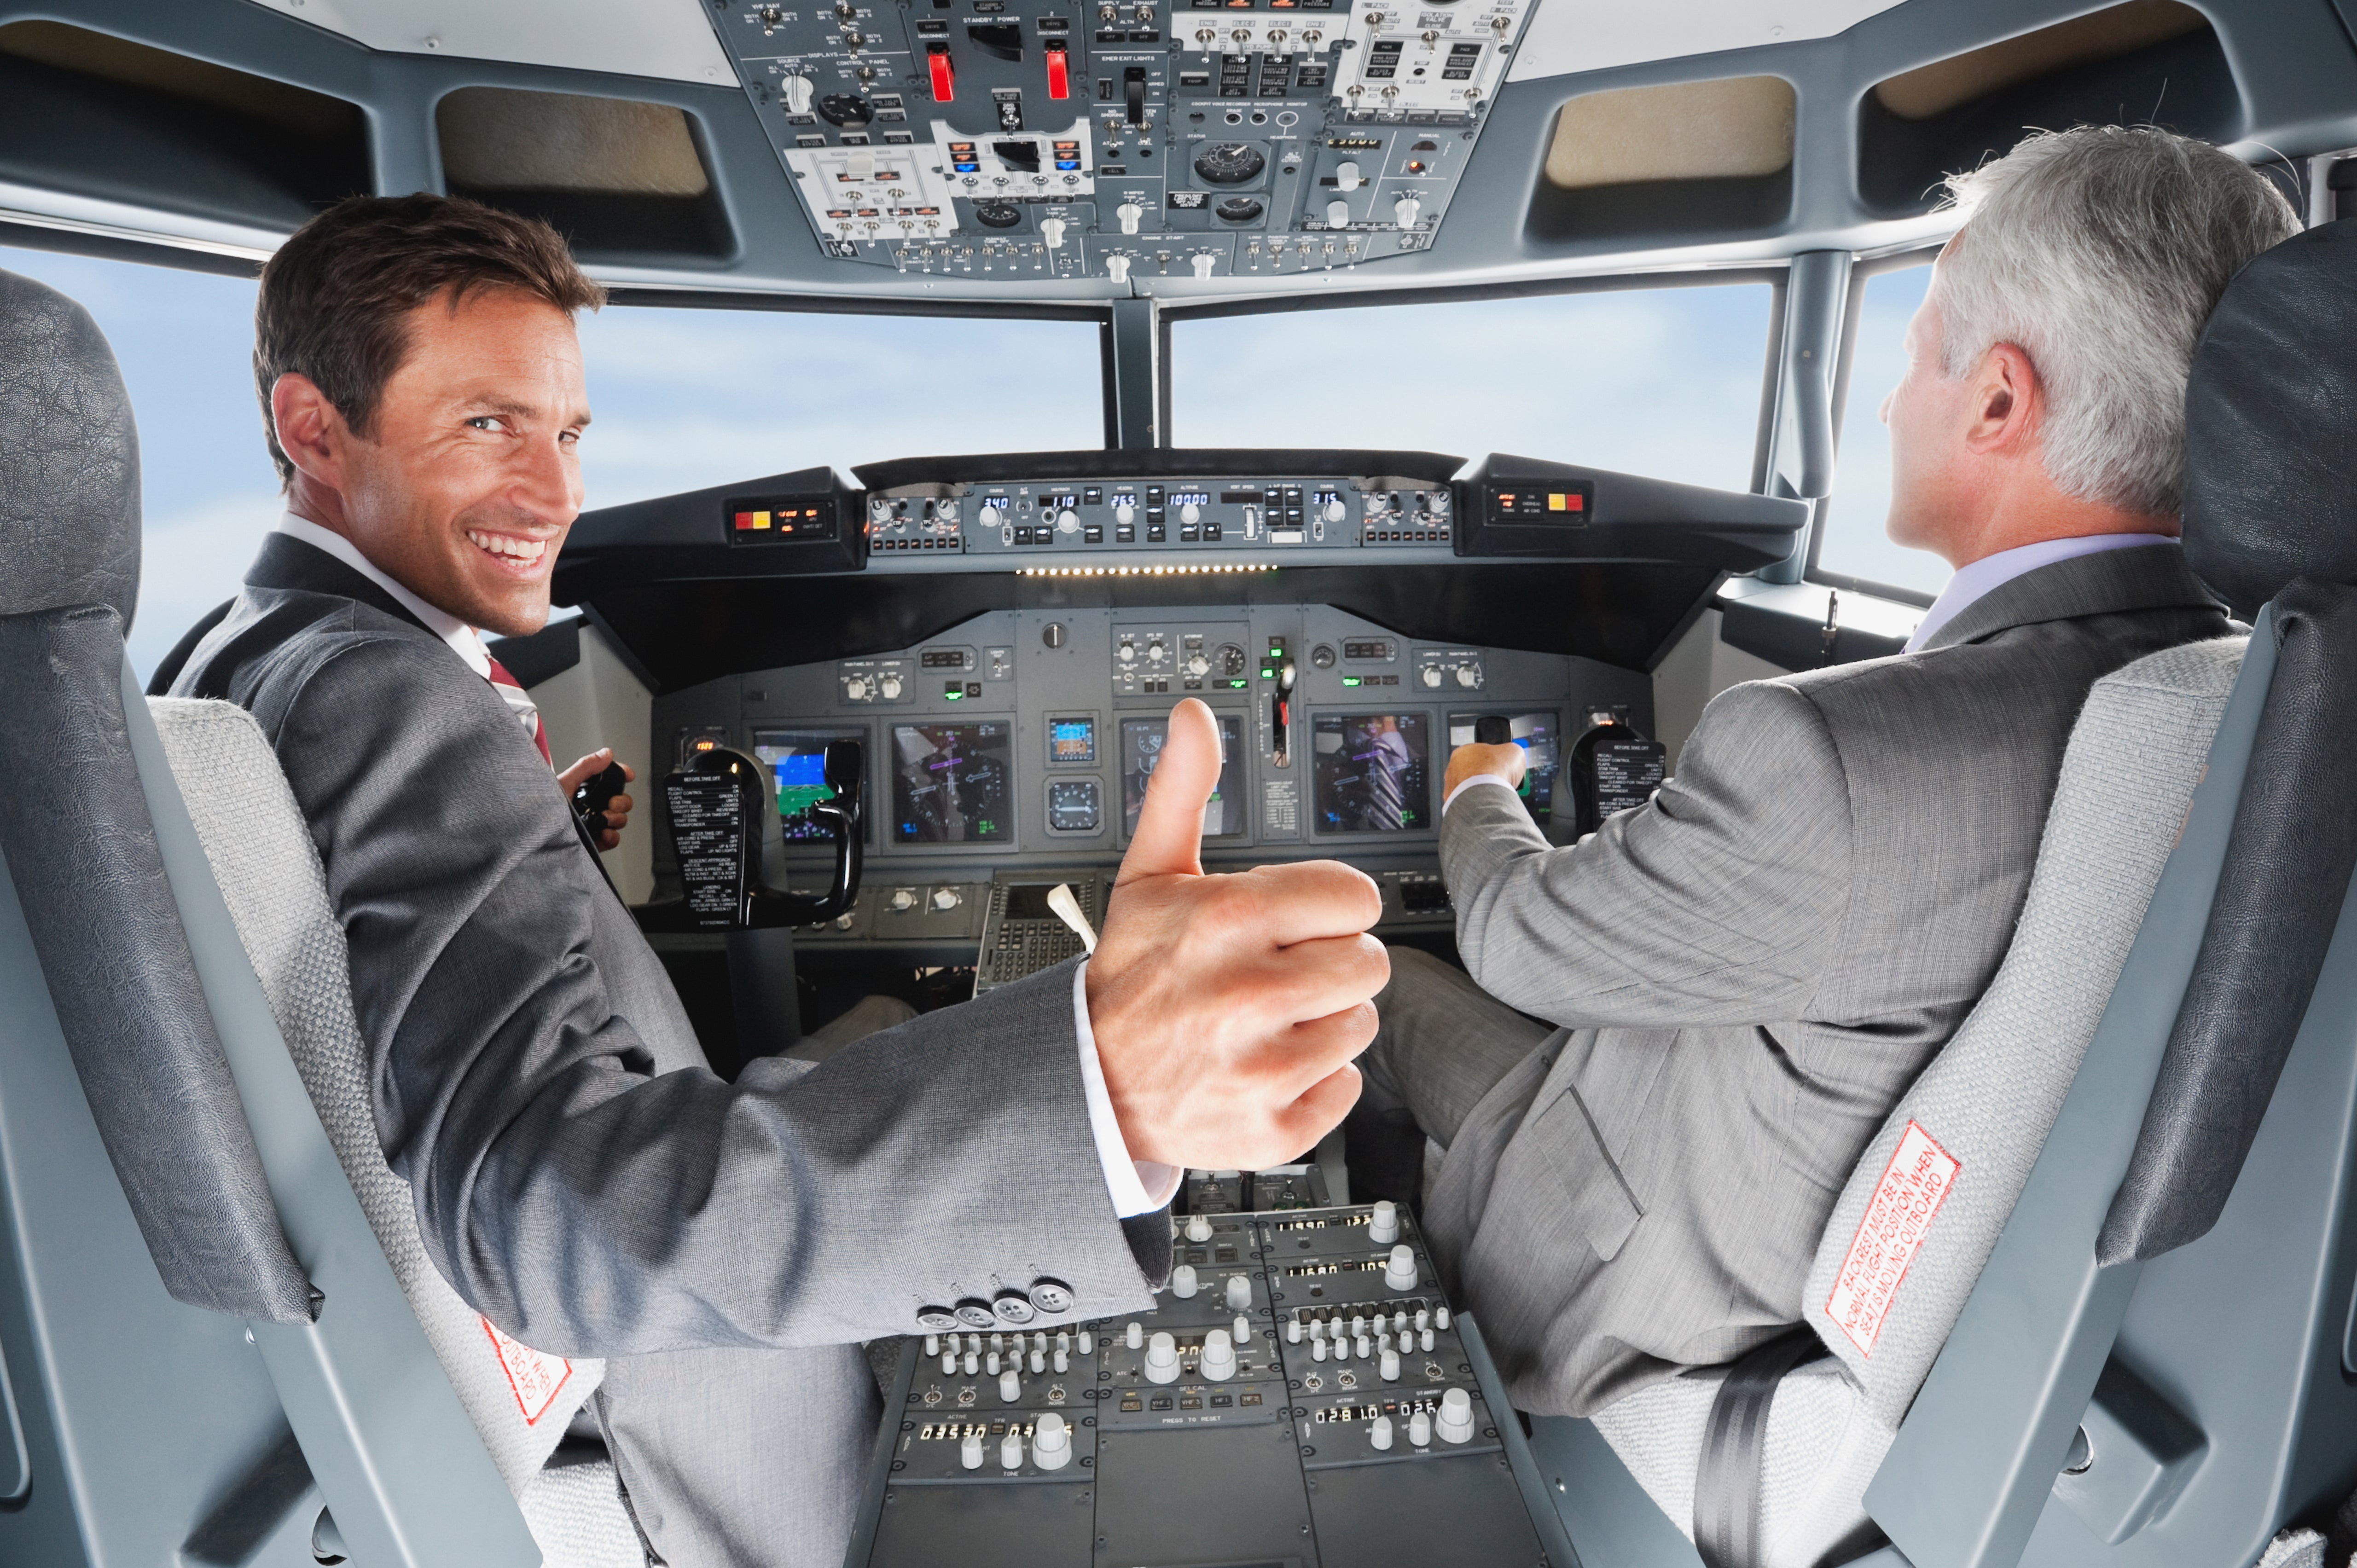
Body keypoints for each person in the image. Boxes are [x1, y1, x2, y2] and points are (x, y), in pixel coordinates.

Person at [172, 193, 1387, 1564]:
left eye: (566, 433)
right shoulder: (396, 694)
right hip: (709, 1421)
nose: (557, 496)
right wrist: (1094, 1084)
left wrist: (530, 841)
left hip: (560, 1337)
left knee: (900, 1029)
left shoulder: (245, 655)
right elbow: (540, 1206)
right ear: (310, 426)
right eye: (487, 424)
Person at [1356, 125, 2300, 1419]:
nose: (1885, 400)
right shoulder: (2247, 695)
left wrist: (1477, 786)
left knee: (1376, 975)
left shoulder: (1832, 759)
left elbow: (1520, 938)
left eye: (1915, 359)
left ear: (1998, 402)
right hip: (1857, 1247)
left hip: (1621, 1281)